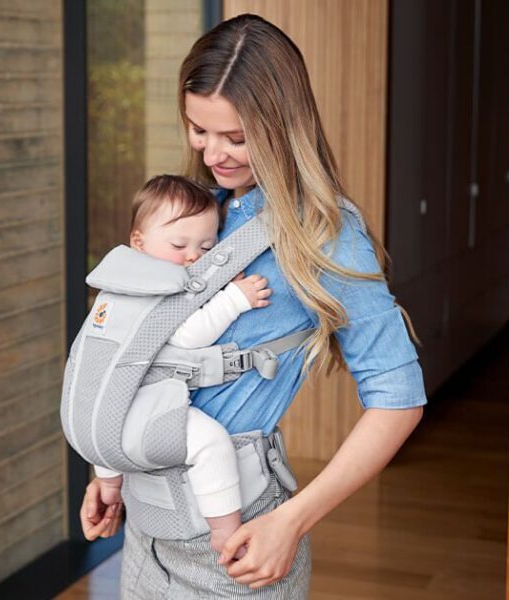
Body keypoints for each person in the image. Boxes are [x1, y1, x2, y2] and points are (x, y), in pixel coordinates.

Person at [80, 13, 426, 598]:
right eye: (199, 129)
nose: (214, 152)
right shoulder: (197, 213)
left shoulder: (326, 233)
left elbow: (399, 400)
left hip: (237, 540)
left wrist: (292, 521)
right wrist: (114, 467)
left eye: (236, 138)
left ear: (283, 126)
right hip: (146, 526)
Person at [91, 174, 271, 557]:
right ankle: (224, 529)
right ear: (138, 242)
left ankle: (108, 487)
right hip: (142, 405)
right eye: (179, 245)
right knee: (211, 443)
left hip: (103, 410)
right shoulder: (154, 285)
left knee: (105, 425)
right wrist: (233, 299)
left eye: (207, 246)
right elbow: (186, 336)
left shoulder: (118, 280)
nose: (194, 256)